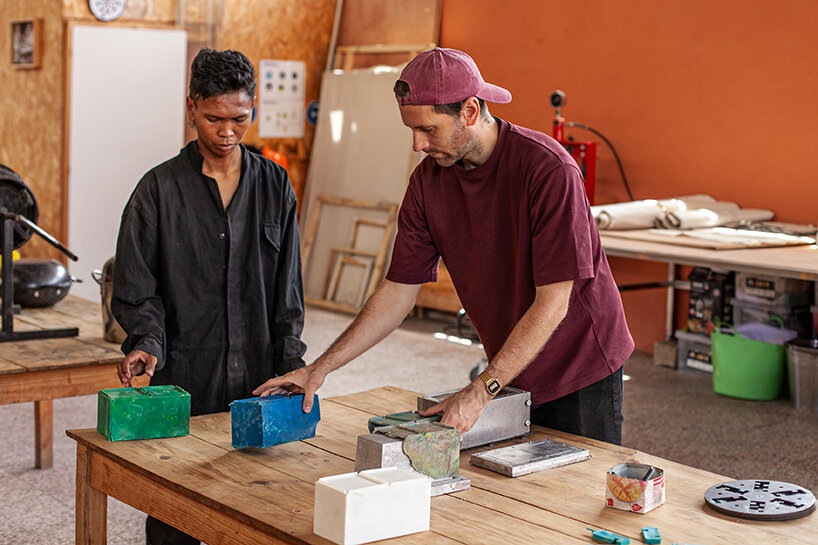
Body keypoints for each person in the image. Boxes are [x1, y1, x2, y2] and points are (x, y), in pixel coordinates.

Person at [254, 47, 633, 445]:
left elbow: (554, 302)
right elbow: (398, 292)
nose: (417, 145)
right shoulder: (426, 184)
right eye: (411, 130)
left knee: (575, 494)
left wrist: (482, 388)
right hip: (512, 367)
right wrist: (321, 367)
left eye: (428, 130)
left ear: (470, 111)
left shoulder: (549, 170)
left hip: (582, 363)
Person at [112, 48, 306, 545]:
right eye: (213, 118)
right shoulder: (156, 191)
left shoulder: (274, 184)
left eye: (239, 119)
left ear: (254, 108)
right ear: (191, 106)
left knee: (257, 502)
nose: (226, 132)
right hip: (185, 374)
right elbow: (137, 287)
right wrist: (147, 342)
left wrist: (292, 366)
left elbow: (288, 290)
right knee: (176, 506)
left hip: (260, 375)